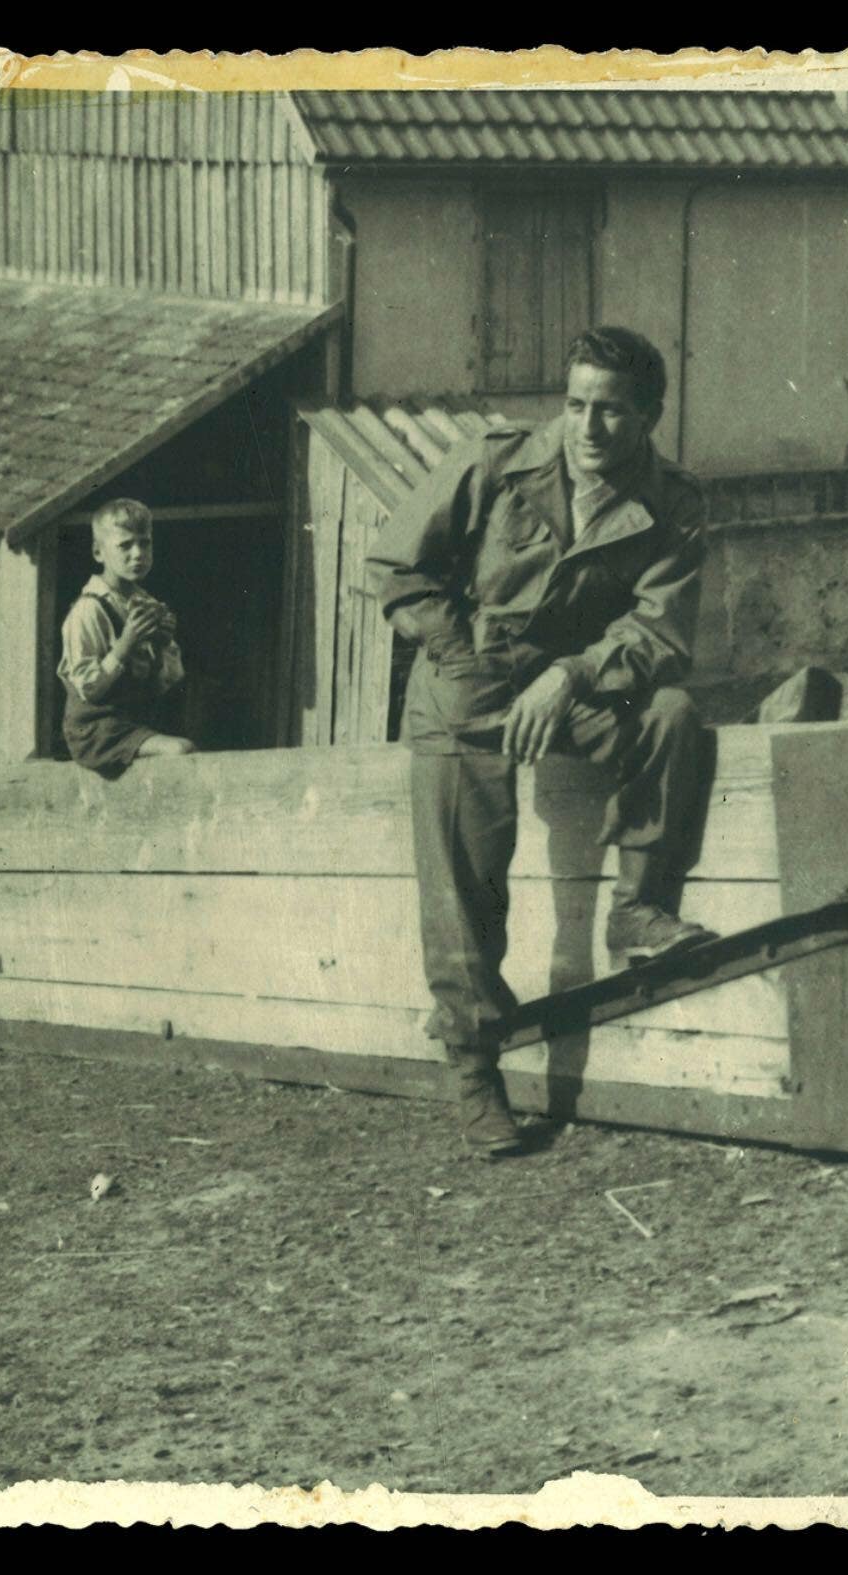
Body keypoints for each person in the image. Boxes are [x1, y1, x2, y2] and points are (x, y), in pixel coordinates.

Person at [366, 326, 711, 1159]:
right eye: (576, 404)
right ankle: (474, 1068)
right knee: (466, 881)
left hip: (573, 684)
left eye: (611, 411)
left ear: (650, 416)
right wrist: (462, 657)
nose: (588, 427)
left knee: (672, 716)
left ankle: (638, 907)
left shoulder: (673, 501)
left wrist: (572, 678)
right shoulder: (497, 461)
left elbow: (662, 630)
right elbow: (399, 569)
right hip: (467, 678)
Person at [57, 498, 196, 775]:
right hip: (96, 730)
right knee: (181, 751)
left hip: (132, 722)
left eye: (145, 543)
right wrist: (126, 643)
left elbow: (165, 685)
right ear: (99, 552)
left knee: (189, 736)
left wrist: (163, 645)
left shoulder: (143, 603)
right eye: (125, 545)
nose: (138, 554)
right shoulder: (89, 610)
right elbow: (89, 689)